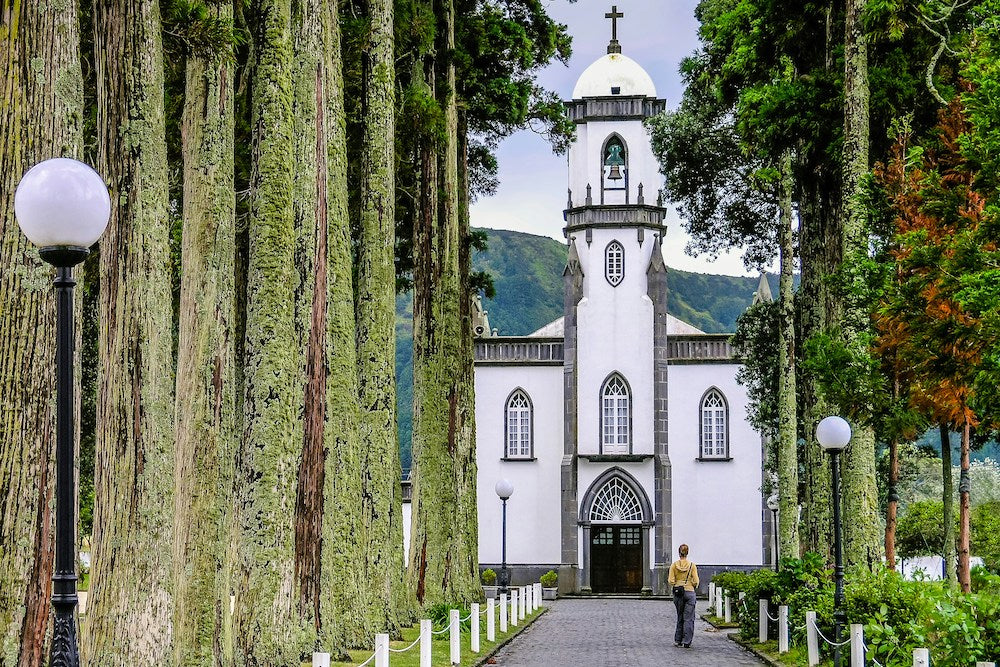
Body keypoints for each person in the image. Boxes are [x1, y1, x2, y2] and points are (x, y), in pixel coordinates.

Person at [668, 543, 699, 648]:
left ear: (679, 552)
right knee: (689, 618)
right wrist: (690, 585)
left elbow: (671, 581)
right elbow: (696, 581)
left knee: (680, 616)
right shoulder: (692, 565)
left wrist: (678, 583)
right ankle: (687, 641)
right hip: (690, 592)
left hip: (678, 593)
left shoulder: (674, 565)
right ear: (687, 553)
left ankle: (678, 640)